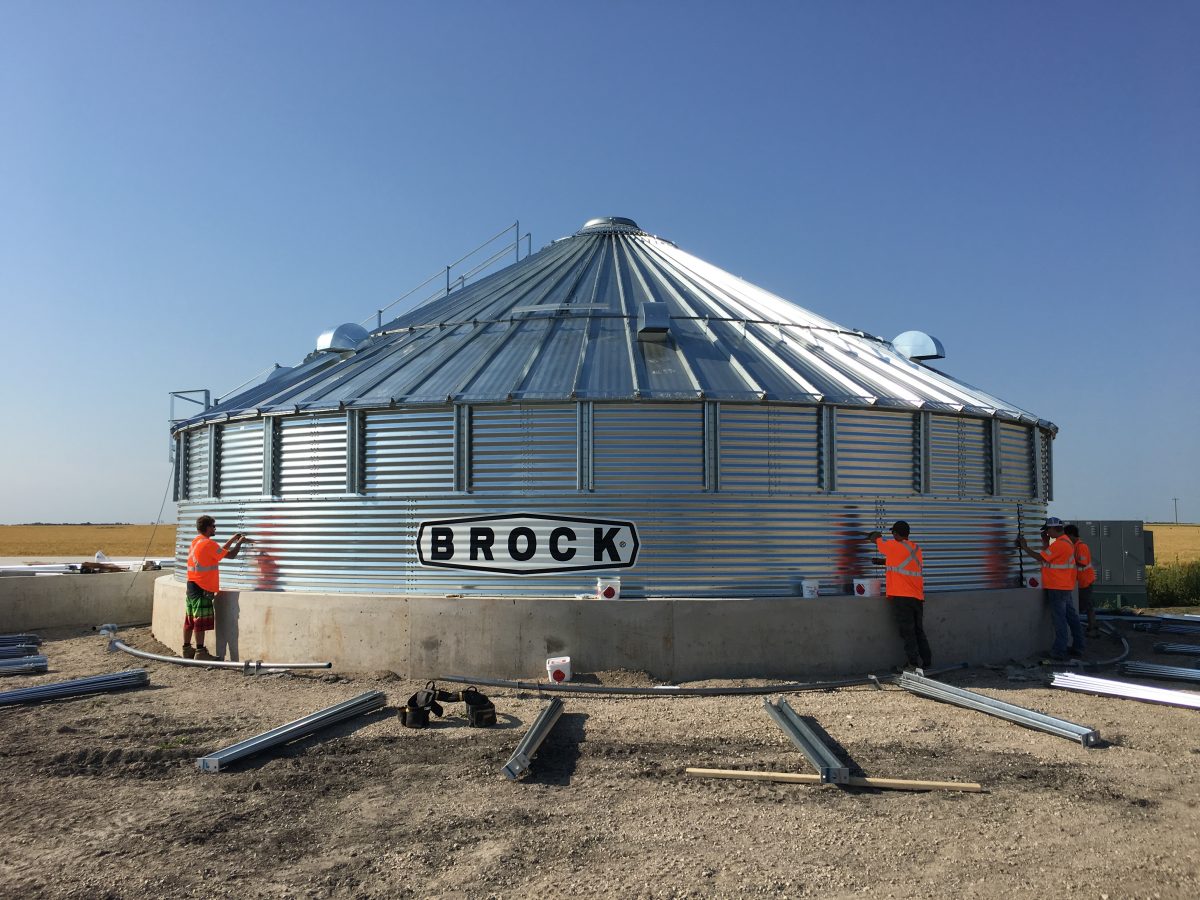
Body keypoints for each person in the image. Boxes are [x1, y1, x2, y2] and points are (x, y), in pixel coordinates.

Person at [866, 521, 930, 674]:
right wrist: (883, 562)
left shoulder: (894, 546)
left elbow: (880, 543)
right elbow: (904, 562)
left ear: (895, 533)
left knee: (907, 631)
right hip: (917, 597)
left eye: (893, 533)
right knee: (918, 630)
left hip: (903, 597)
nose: (892, 536)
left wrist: (876, 537)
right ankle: (927, 661)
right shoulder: (916, 548)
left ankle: (913, 664)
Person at [1017, 516, 1084, 661]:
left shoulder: (1060, 545)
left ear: (1054, 528)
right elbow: (1050, 557)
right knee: (1072, 618)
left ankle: (1060, 651)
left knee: (1059, 619)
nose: (1047, 532)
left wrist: (1025, 547)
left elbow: (1041, 558)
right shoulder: (1065, 542)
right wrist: (1045, 542)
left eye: (1047, 530)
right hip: (1065, 586)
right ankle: (1078, 647)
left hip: (1057, 587)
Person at [184, 515, 245, 660]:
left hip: (192, 586)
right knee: (200, 620)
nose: (215, 528)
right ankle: (200, 652)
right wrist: (240, 543)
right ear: (207, 527)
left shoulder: (197, 541)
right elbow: (230, 555)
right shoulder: (208, 544)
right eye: (213, 526)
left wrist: (232, 539)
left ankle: (187, 649)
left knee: (190, 619)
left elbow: (218, 553)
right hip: (202, 587)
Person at [1064, 524, 1098, 637]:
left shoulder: (1081, 546)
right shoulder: (1074, 546)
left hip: (1085, 581)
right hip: (1080, 581)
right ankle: (1091, 627)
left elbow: (1082, 563)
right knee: (1085, 605)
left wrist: (1066, 559)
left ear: (1072, 535)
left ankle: (1092, 628)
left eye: (1067, 536)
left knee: (1087, 605)